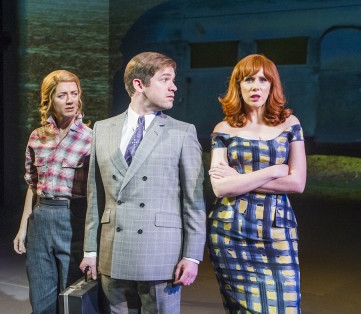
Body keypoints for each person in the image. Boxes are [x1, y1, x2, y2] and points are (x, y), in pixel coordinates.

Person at [80, 51, 206, 314]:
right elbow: (95, 198)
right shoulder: (102, 130)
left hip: (161, 254)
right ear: (139, 84)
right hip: (113, 250)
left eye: (173, 80)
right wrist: (90, 250)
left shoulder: (182, 132)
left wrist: (192, 256)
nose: (174, 87)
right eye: (165, 79)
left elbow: (194, 202)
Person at [207, 54, 307, 314]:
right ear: (237, 86)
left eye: (263, 80)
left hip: (277, 231)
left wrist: (238, 180)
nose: (256, 86)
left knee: (286, 306)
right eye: (248, 80)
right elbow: (221, 188)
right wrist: (275, 170)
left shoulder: (291, 124)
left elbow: (297, 183)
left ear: (272, 85)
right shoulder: (223, 129)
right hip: (231, 232)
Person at [13, 70, 92, 314]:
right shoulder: (37, 136)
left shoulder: (91, 139)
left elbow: (97, 194)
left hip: (73, 218)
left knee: (71, 293)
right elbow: (32, 184)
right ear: (49, 100)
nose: (70, 100)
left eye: (74, 94)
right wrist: (24, 227)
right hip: (41, 217)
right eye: (62, 95)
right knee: (40, 295)